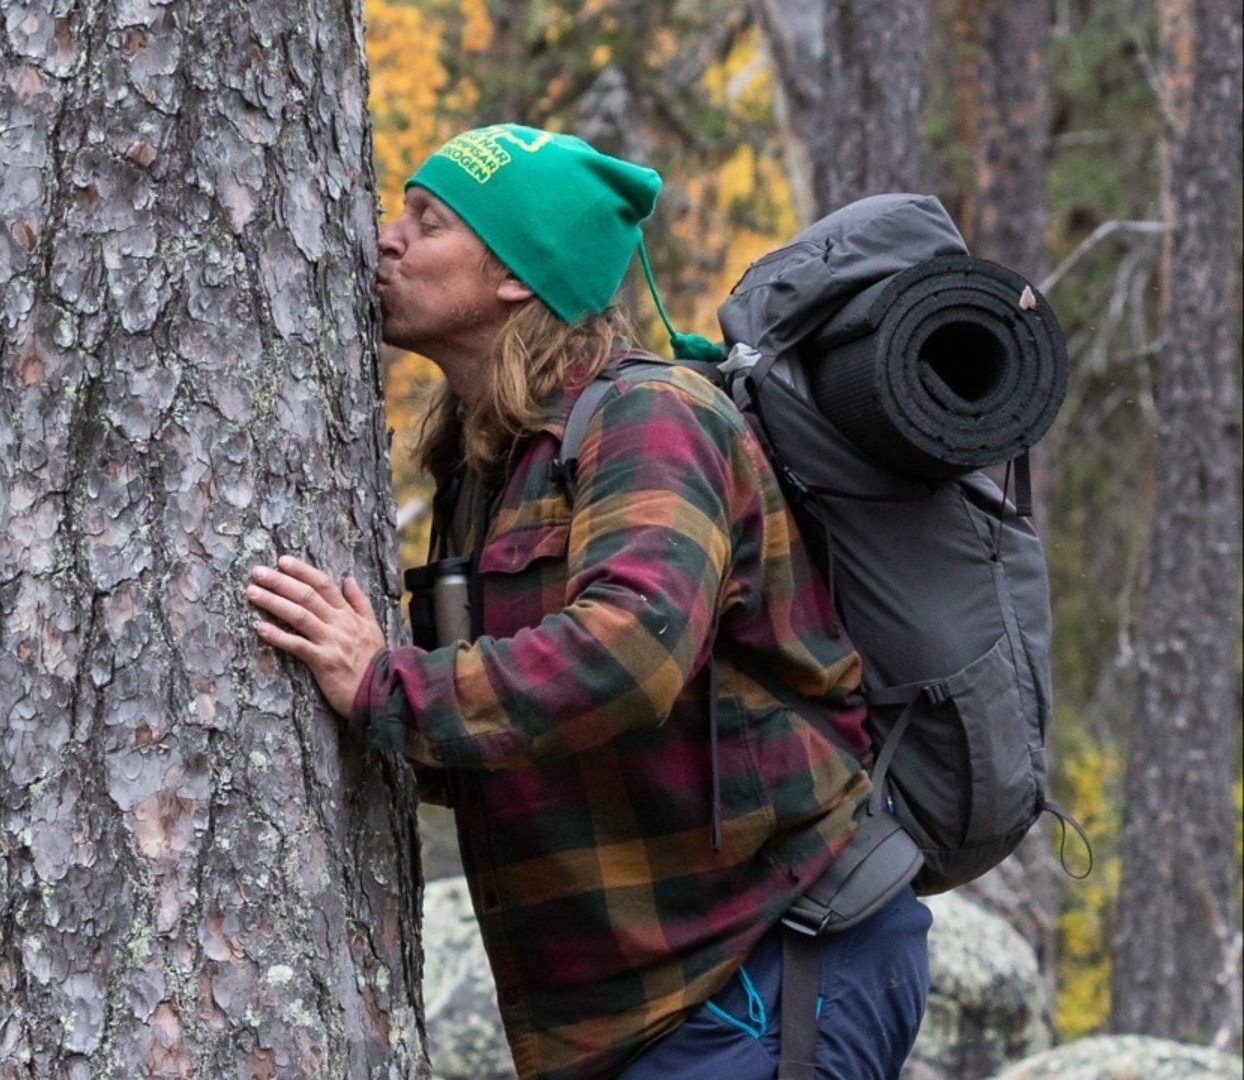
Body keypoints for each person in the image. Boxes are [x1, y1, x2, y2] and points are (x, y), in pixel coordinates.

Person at [244, 124, 930, 1079]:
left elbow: (628, 651)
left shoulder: (650, 417)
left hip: (766, 966)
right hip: (634, 1012)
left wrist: (383, 685)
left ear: (517, 275)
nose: (385, 237)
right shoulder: (485, 468)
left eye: (427, 221)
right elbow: (510, 733)